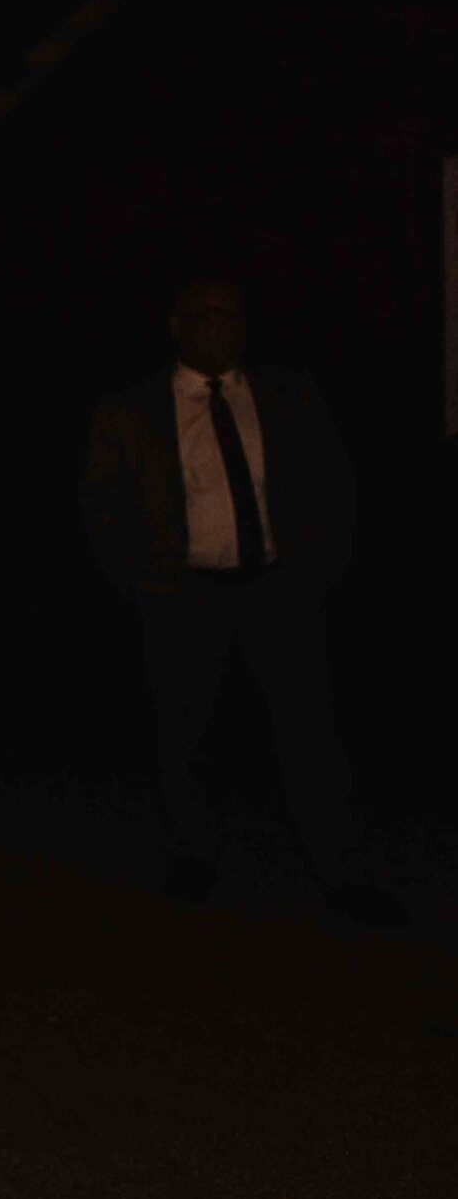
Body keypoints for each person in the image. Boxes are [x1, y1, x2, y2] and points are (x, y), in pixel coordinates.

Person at [80, 279, 400, 926]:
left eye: (233, 314)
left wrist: (320, 570)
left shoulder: (288, 391)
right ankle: (192, 855)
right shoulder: (131, 410)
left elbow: (335, 483)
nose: (221, 325)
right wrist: (143, 587)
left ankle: (342, 872)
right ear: (177, 323)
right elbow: (101, 506)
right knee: (184, 732)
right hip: (187, 595)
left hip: (278, 591)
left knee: (311, 733)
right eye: (206, 314)